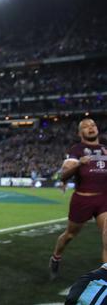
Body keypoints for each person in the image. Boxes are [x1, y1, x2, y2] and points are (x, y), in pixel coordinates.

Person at [50, 119, 107, 279]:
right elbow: (64, 176)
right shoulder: (77, 150)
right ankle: (56, 257)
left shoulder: (104, 148)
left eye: (93, 125)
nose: (91, 128)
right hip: (83, 200)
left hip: (104, 200)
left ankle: (105, 279)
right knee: (69, 235)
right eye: (86, 126)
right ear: (79, 133)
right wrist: (78, 164)